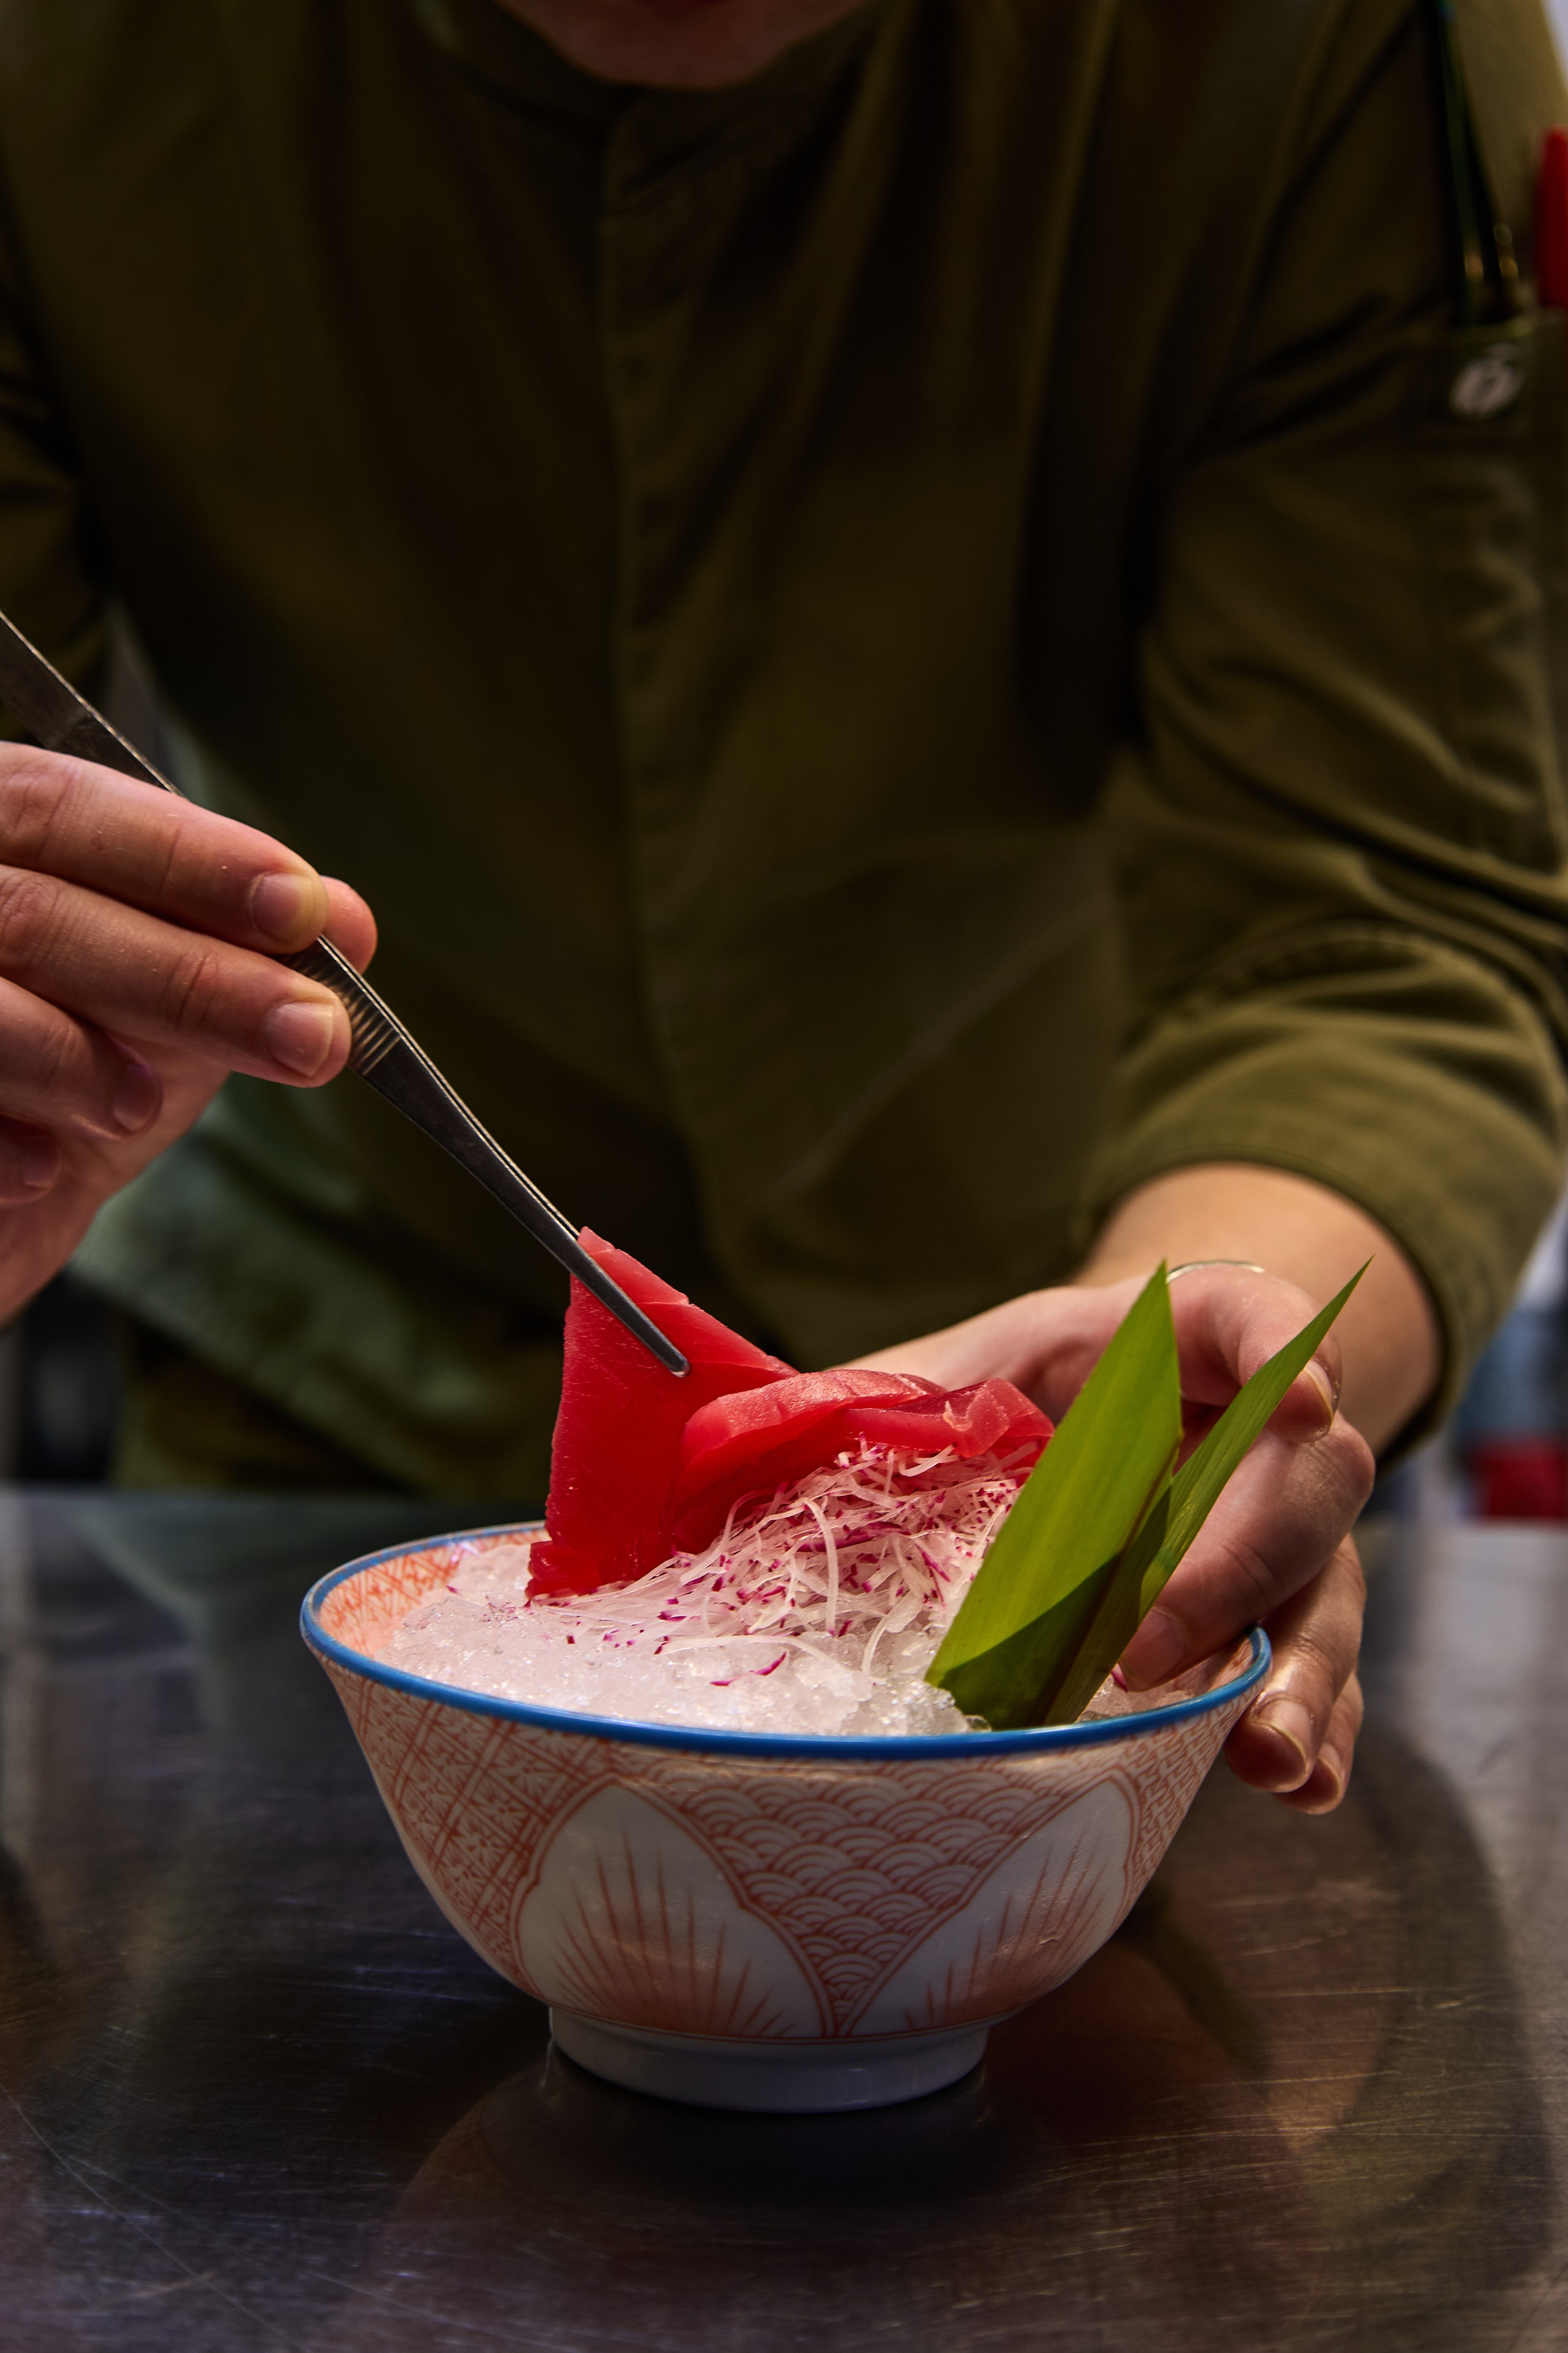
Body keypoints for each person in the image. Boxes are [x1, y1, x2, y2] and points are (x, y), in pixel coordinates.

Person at [0, 0, 1564, 1816]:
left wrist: (1201, 1357)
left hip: (1057, 1391)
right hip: (315, 1417)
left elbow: (1382, 936)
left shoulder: (1348, 46)